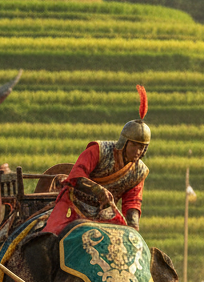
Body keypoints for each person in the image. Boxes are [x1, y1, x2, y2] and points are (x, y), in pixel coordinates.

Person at [45, 85, 150, 234]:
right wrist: (98, 190)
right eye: (134, 145)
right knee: (51, 234)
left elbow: (133, 202)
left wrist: (133, 229)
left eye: (142, 147)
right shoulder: (98, 150)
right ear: (124, 142)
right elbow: (76, 175)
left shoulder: (139, 172)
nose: (138, 151)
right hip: (75, 205)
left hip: (105, 213)